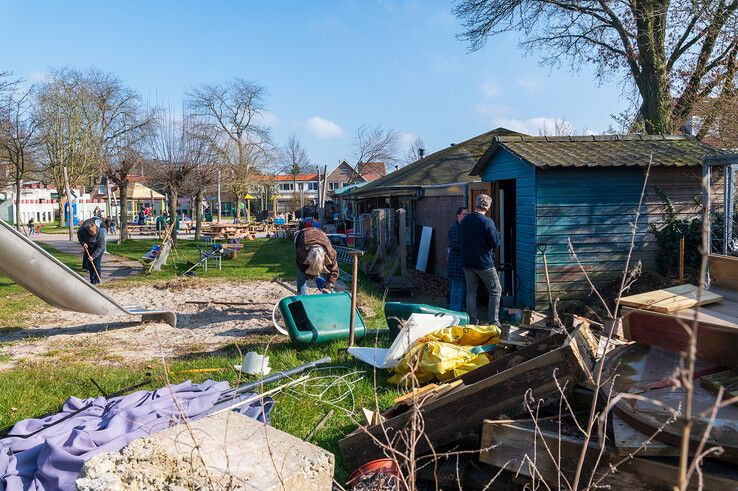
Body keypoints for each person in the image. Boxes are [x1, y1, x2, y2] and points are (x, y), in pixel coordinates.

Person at [460, 194, 502, 326]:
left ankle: (472, 322)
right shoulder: (487, 222)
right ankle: (494, 321)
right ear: (488, 206)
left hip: (467, 262)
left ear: (476, 203)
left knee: (471, 293)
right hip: (484, 263)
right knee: (496, 290)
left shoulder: (465, 220)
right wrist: (498, 235)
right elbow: (495, 243)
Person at [294, 227, 339, 295]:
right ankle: (302, 296)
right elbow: (301, 267)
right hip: (302, 235)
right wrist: (316, 278)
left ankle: (329, 297)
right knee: (301, 275)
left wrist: (329, 285)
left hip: (320, 234)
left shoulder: (331, 254)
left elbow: (334, 271)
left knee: (329, 285)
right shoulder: (302, 252)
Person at [447, 206, 469, 312]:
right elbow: (455, 245)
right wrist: (469, 247)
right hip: (456, 265)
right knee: (457, 290)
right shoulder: (455, 228)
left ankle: (458, 313)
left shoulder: (463, 227)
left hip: (461, 264)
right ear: (458, 215)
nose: (466, 216)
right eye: (464, 214)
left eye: (467, 214)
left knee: (460, 291)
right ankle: (455, 314)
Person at [77, 217, 106, 285]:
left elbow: (101, 247)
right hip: (89, 247)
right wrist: (83, 243)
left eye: (94, 234)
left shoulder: (100, 233)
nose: (93, 235)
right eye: (91, 234)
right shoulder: (83, 230)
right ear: (88, 232)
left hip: (98, 248)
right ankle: (92, 281)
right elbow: (80, 237)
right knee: (90, 264)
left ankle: (97, 280)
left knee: (96, 263)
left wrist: (93, 256)